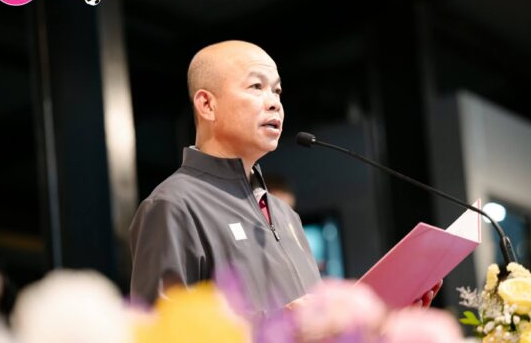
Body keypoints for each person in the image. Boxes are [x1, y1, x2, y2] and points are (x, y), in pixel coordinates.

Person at [128, 40, 440, 315]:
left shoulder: (285, 214)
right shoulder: (173, 205)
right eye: (256, 86)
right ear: (207, 104)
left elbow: (314, 329)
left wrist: (380, 319)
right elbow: (159, 331)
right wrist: (278, 324)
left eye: (277, 90)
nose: (274, 102)